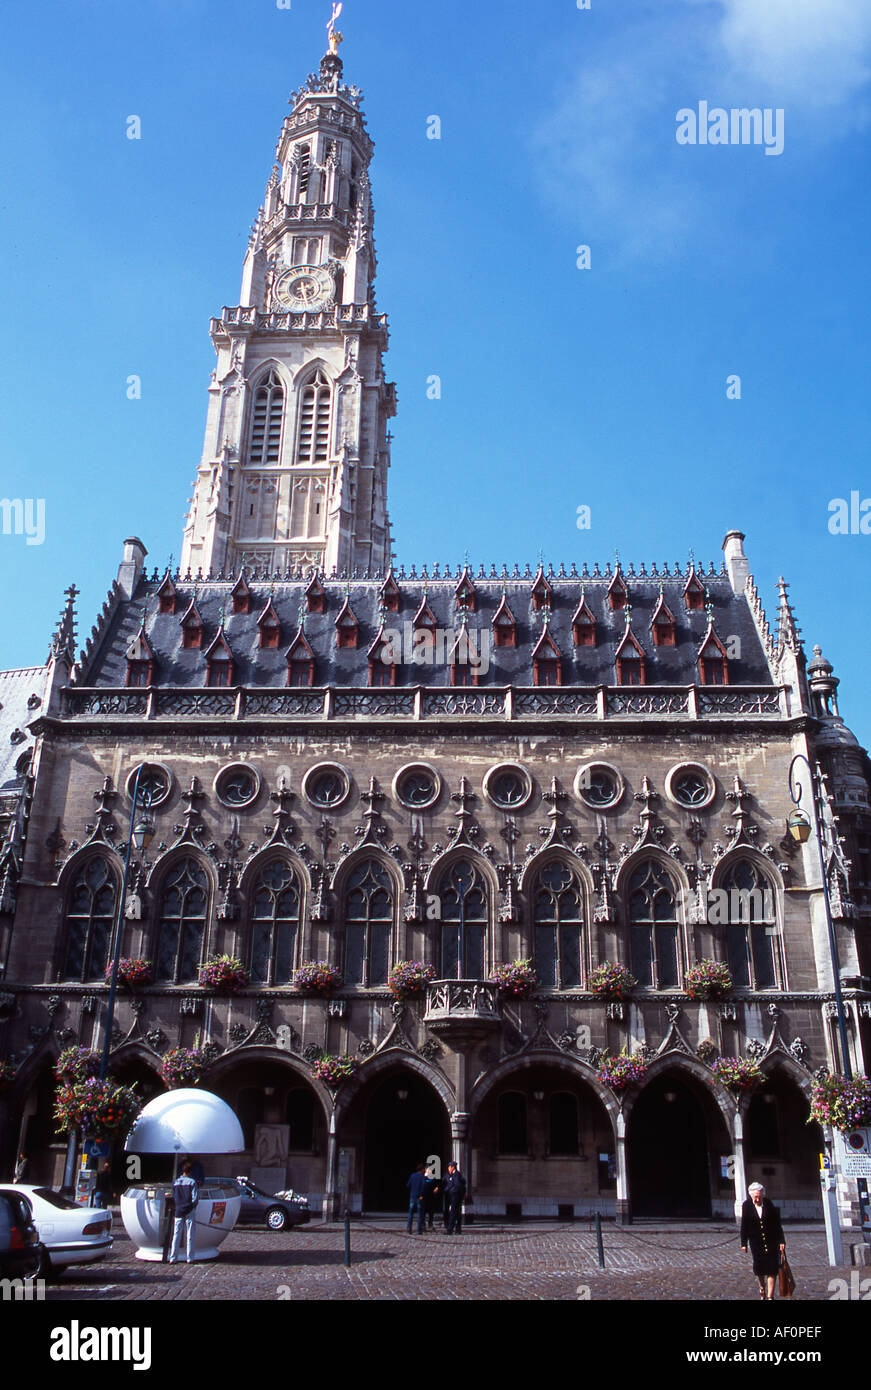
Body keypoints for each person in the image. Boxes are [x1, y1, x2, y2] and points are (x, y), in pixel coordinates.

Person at [740, 1182, 786, 1300]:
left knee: (772, 1268)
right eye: (755, 1196)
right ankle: (762, 1288)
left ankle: (770, 1296)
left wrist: (781, 1241)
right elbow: (744, 1225)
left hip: (771, 1241)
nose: (758, 1199)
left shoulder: (768, 1204)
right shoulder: (746, 1205)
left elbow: (777, 1224)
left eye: (760, 1196)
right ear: (751, 1196)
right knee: (759, 1268)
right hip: (756, 1242)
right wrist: (743, 1243)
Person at [168, 1160, 199, 1264]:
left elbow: (173, 1196)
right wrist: (192, 1206)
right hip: (189, 1209)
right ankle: (190, 1258)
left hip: (178, 1210)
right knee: (190, 1235)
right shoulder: (192, 1182)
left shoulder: (176, 1182)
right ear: (190, 1172)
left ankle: (173, 1258)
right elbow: (195, 1198)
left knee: (176, 1234)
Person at [444, 1160, 467, 1235]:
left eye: (449, 1167)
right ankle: (458, 1229)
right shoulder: (450, 1175)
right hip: (452, 1196)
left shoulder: (456, 1175)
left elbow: (458, 1185)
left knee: (453, 1212)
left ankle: (450, 1229)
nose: (448, 1168)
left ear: (453, 1167)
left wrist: (449, 1190)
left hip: (455, 1196)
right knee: (457, 1213)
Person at [406, 1162, 427, 1234]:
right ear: (422, 1170)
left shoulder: (412, 1176)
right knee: (419, 1214)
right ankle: (419, 1229)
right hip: (419, 1197)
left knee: (410, 1213)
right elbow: (423, 1187)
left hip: (412, 1196)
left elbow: (408, 1185)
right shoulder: (422, 1177)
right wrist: (421, 1195)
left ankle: (409, 1228)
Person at [423, 1166, 440, 1231]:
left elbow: (437, 1185)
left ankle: (430, 1223)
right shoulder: (423, 1177)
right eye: (428, 1170)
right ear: (425, 1170)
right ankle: (423, 1224)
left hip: (431, 1197)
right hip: (424, 1197)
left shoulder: (433, 1178)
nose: (430, 1171)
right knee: (423, 1212)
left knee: (431, 1212)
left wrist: (437, 1188)